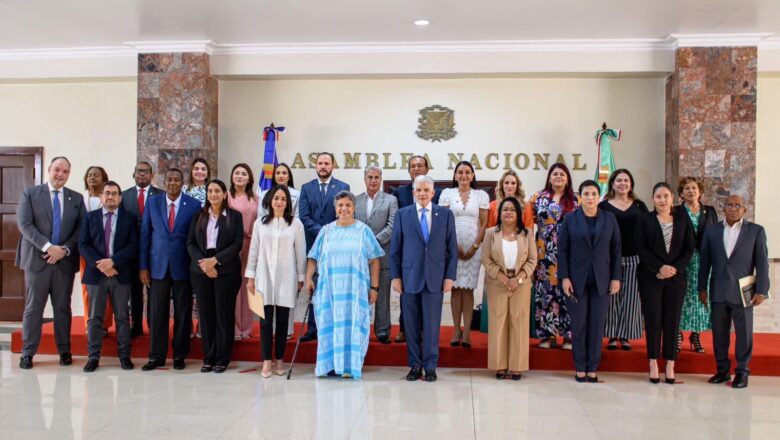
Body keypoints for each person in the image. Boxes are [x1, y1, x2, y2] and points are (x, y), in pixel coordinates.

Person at [305, 191, 383, 379]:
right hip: (329, 292)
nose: (344, 209)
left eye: (348, 205)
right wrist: (308, 278)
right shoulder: (326, 231)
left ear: (354, 208)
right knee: (328, 326)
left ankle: (349, 366)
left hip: (354, 292)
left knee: (353, 326)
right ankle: (329, 365)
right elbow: (313, 257)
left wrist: (374, 287)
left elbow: (374, 260)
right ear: (335, 208)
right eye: (340, 205)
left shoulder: (363, 231)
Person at [17, 157, 85, 369]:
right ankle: (27, 353)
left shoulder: (76, 198)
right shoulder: (31, 193)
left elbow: (80, 231)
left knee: (63, 309)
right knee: (33, 308)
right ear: (49, 170)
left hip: (63, 263)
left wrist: (63, 250)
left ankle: (64, 351)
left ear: (69, 174)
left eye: (65, 171)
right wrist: (48, 247)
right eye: (57, 170)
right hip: (37, 261)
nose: (60, 174)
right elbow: (25, 225)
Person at [390, 175, 458, 382]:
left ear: (433, 192)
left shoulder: (445, 215)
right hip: (409, 277)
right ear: (413, 192)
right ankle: (414, 365)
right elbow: (395, 250)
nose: (422, 194)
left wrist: (449, 276)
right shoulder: (402, 215)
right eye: (418, 190)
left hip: (435, 278)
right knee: (410, 325)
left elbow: (452, 249)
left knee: (431, 325)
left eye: (426, 190)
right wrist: (396, 277)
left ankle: (430, 366)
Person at [699, 195, 770, 389]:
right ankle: (722, 371)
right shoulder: (712, 231)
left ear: (744, 210)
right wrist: (701, 287)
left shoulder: (755, 231)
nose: (732, 208)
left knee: (744, 334)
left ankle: (742, 373)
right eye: (729, 205)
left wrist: (762, 290)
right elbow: (705, 261)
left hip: (744, 292)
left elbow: (762, 263)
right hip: (718, 291)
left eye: (737, 205)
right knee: (719, 334)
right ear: (723, 208)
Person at [559, 180, 622, 383]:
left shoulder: (610, 219)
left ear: (599, 196)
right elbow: (563, 250)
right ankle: (579, 366)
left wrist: (615, 277)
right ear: (580, 197)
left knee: (596, 324)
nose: (590, 197)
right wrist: (564, 277)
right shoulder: (570, 219)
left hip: (602, 279)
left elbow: (616, 250)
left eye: (594, 193)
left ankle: (592, 367)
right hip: (576, 279)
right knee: (579, 324)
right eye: (586, 194)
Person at [139, 168, 201, 371]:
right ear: (163, 182)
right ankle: (156, 355)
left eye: (177, 180)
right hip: (157, 267)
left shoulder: (193, 205)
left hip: (183, 266)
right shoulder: (153, 203)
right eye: (169, 179)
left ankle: (180, 355)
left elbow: (195, 239)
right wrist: (143, 267)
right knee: (157, 312)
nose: (173, 183)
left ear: (182, 183)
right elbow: (145, 235)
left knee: (183, 313)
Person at [635, 182, 695, 384]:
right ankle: (653, 362)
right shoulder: (645, 220)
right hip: (651, 277)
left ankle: (670, 363)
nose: (662, 200)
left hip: (676, 279)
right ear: (653, 199)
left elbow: (689, 248)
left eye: (666, 196)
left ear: (672, 199)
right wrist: (659, 267)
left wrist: (674, 269)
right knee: (653, 321)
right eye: (658, 196)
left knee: (672, 321)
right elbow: (641, 248)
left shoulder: (683, 220)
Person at [246, 185, 307, 378]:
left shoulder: (296, 225)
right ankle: (266, 361)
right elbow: (253, 251)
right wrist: (250, 277)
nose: (279, 202)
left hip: (286, 278)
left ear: (288, 202)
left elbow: (300, 253)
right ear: (270, 201)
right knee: (265, 322)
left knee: (282, 322)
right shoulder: (260, 224)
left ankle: (279, 359)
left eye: (283, 199)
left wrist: (300, 278)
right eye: (276, 198)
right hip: (263, 277)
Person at [78, 181, 137, 372]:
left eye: (114, 194)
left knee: (122, 316)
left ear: (120, 198)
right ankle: (93, 357)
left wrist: (113, 262)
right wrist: (102, 264)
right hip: (96, 274)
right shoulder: (89, 217)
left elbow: (133, 245)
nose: (110, 197)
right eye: (107, 193)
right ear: (101, 197)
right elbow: (83, 244)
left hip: (121, 273)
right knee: (95, 318)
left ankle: (124, 356)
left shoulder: (129, 218)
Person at [187, 180, 244, 373]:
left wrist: (215, 260)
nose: (213, 194)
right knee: (206, 314)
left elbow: (237, 244)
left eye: (217, 191)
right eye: (210, 191)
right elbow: (190, 244)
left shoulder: (234, 216)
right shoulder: (199, 215)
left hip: (226, 270)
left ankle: (222, 358)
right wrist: (204, 264)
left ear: (225, 193)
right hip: (201, 271)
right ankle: (208, 357)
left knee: (223, 314)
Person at [481, 197, 537, 380]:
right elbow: (486, 259)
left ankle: (517, 367)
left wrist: (518, 279)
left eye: (513, 209)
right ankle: (499, 366)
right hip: (498, 282)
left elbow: (532, 260)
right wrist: (504, 278)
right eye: (505, 209)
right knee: (498, 323)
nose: (509, 213)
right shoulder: (491, 233)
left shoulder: (527, 233)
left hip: (521, 283)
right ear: (499, 212)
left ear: (518, 213)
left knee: (519, 324)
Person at [298, 152, 350, 342]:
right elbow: (303, 217)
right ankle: (313, 328)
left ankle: (332, 327)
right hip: (314, 244)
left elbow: (344, 214)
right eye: (320, 163)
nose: (323, 166)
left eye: (326, 163)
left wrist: (331, 232)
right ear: (316, 165)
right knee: (314, 286)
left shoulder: (343, 187)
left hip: (337, 246)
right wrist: (323, 231)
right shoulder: (306, 188)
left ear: (332, 166)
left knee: (334, 287)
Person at [392, 156, 442, 343]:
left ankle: (423, 332)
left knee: (427, 301)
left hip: (429, 252)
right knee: (408, 298)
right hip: (409, 253)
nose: (416, 168)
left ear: (427, 169)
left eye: (420, 165)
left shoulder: (434, 191)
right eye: (413, 166)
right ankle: (405, 330)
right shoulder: (400, 192)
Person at [439, 161, 489, 348]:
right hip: (452, 246)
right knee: (455, 288)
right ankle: (455, 330)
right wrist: (453, 245)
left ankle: (467, 332)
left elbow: (484, 223)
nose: (464, 175)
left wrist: (475, 245)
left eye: (468, 172)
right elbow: (443, 221)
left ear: (473, 175)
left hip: (473, 248)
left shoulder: (481, 195)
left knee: (468, 290)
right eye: (460, 172)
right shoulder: (447, 194)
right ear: (455, 175)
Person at [530, 163, 579, 349]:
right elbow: (528, 224)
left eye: (562, 174)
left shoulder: (577, 200)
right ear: (549, 178)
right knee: (546, 294)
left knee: (568, 293)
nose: (558, 177)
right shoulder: (537, 198)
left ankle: (568, 335)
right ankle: (547, 335)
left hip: (570, 254)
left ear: (568, 179)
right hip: (544, 254)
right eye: (555, 174)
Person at [599, 169, 648, 351]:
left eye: (626, 180)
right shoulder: (603, 207)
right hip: (611, 259)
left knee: (631, 298)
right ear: (612, 183)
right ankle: (612, 335)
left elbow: (647, 230)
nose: (623, 183)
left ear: (631, 184)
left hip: (634, 258)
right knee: (611, 297)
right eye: (619, 180)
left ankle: (626, 335)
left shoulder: (639, 206)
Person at [355, 166, 398, 344]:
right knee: (359, 295)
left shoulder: (391, 200)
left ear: (381, 179)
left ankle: (382, 331)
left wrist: (371, 242)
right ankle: (359, 330)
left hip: (382, 255)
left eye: (376, 177)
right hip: (359, 256)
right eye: (370, 177)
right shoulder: (355, 200)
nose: (373, 180)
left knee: (382, 296)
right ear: (365, 179)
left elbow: (392, 226)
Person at [675, 177, 718, 353]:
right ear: (681, 193)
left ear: (699, 191)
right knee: (681, 298)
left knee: (701, 299)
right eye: (686, 188)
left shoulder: (710, 211)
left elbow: (716, 235)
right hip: (682, 261)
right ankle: (677, 335)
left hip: (703, 262)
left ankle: (696, 335)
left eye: (694, 188)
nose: (690, 191)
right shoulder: (676, 211)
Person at [258, 162, 300, 337]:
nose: (281, 175)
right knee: (267, 297)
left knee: (286, 295)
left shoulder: (297, 194)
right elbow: (262, 217)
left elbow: (296, 217)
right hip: (268, 242)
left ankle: (287, 329)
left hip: (288, 239)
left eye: (284, 172)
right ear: (273, 176)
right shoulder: (266, 194)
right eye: (278, 173)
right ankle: (270, 330)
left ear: (289, 176)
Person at [120, 161, 163, 336]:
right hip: (131, 252)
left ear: (152, 175)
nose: (142, 174)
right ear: (134, 174)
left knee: (154, 291)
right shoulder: (124, 196)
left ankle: (154, 326)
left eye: (146, 171)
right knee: (134, 291)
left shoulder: (161, 196)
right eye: (139, 171)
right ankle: (136, 326)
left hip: (154, 251)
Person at [228, 163, 259, 340]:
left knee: (247, 286)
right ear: (232, 176)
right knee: (232, 287)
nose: (239, 176)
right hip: (231, 246)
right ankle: (232, 327)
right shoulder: (226, 196)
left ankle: (245, 328)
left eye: (243, 173)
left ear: (249, 178)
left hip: (249, 245)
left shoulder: (255, 198)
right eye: (236, 173)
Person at [80, 166, 113, 334]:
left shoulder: (108, 197)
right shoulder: (80, 199)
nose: (92, 178)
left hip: (107, 251)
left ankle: (105, 324)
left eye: (96, 175)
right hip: (87, 252)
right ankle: (89, 323)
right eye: (90, 175)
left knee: (107, 289)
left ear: (104, 178)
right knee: (88, 288)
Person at [182, 157, 210, 338]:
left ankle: (201, 325)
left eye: (203, 169)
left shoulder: (211, 190)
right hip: (186, 241)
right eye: (196, 169)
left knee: (203, 289)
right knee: (188, 289)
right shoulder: (184, 190)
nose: (200, 171)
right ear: (191, 171)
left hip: (206, 243)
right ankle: (188, 327)